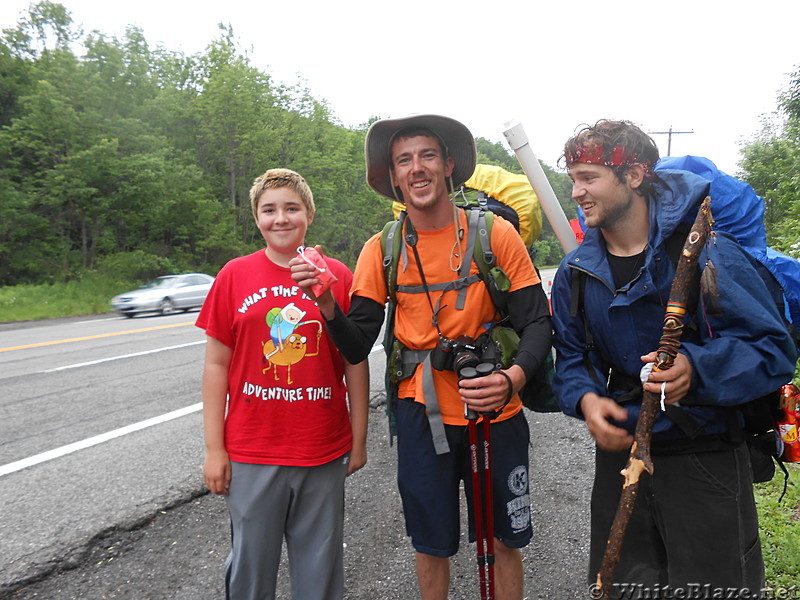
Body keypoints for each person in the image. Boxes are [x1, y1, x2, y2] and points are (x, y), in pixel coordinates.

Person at [290, 114, 552, 600]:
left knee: (502, 540)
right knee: (430, 544)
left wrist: (512, 379)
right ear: (392, 177)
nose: (416, 168)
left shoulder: (495, 234)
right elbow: (356, 342)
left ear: (449, 165)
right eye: (403, 160)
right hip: (419, 418)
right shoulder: (381, 249)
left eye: (427, 155)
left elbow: (537, 321)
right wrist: (327, 304)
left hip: (497, 412)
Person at [550, 120, 797, 598]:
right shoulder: (576, 272)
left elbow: (772, 350)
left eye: (589, 177)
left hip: (702, 453)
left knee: (715, 588)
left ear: (635, 175)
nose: (577, 192)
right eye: (573, 179)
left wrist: (697, 369)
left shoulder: (706, 253)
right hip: (623, 458)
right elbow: (573, 355)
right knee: (626, 587)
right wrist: (585, 399)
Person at [197, 168, 369, 600]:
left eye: (291, 208)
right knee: (251, 573)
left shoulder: (337, 276)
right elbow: (217, 365)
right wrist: (215, 449)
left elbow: (355, 361)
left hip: (322, 447)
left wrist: (360, 438)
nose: (281, 218)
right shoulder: (235, 275)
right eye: (268, 209)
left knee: (320, 572)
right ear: (256, 218)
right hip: (253, 450)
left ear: (309, 213)